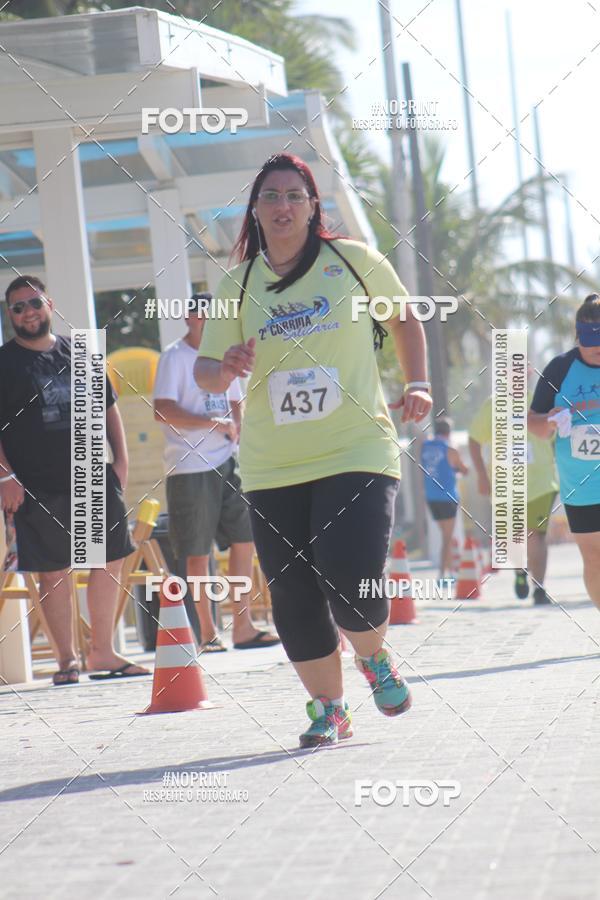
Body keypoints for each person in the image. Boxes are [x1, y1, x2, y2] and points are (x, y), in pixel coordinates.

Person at [195, 153, 432, 747]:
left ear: (312, 205)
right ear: (255, 209)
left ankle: (374, 656)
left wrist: (418, 382)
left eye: (293, 196)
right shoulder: (239, 282)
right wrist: (222, 366)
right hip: (273, 462)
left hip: (355, 446)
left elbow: (404, 319)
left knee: (351, 578)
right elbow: (204, 372)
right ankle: (329, 709)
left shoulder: (352, 262)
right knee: (295, 597)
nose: (282, 206)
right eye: (270, 196)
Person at [0, 275, 150, 684]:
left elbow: (108, 408)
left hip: (92, 474)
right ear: (10, 314)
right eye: (18, 307)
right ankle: (67, 660)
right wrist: (6, 476)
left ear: (48, 303)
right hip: (35, 483)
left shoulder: (79, 352)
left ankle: (102, 652)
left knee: (109, 557)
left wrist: (121, 461)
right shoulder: (4, 362)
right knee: (53, 570)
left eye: (34, 303)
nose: (28, 312)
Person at [152, 293, 279, 652]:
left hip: (229, 461)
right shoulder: (174, 357)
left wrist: (238, 430)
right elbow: (162, 411)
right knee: (196, 551)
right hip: (189, 467)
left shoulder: (224, 356)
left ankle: (243, 625)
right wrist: (211, 423)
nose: (209, 321)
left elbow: (236, 402)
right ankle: (207, 632)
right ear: (189, 318)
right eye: (202, 314)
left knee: (245, 541)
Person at [528, 294, 600, 611]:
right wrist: (551, 420)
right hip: (581, 487)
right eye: (590, 338)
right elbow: (534, 424)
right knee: (594, 557)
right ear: (578, 335)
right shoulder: (559, 369)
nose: (596, 346)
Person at [469, 367, 559, 605]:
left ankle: (539, 588)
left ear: (528, 373)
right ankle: (520, 571)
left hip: (540, 481)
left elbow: (557, 433)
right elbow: (474, 440)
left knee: (536, 535)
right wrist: (481, 475)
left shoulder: (540, 401)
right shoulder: (492, 405)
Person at [420, 418, 468, 580]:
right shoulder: (450, 448)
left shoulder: (425, 447)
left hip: (431, 496)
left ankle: (451, 571)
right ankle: (443, 573)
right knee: (447, 537)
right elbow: (463, 469)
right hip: (447, 496)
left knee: (444, 535)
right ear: (448, 432)